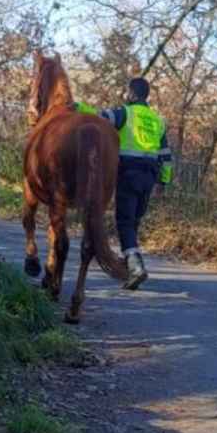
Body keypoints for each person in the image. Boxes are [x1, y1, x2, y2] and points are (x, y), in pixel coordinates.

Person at [73, 77, 172, 290]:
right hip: (150, 176)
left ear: (132, 94)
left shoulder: (126, 113)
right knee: (134, 221)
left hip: (129, 172)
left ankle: (136, 267)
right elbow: (166, 153)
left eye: (128, 92)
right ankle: (130, 267)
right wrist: (163, 181)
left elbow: (100, 117)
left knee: (124, 221)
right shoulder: (157, 120)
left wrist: (78, 106)